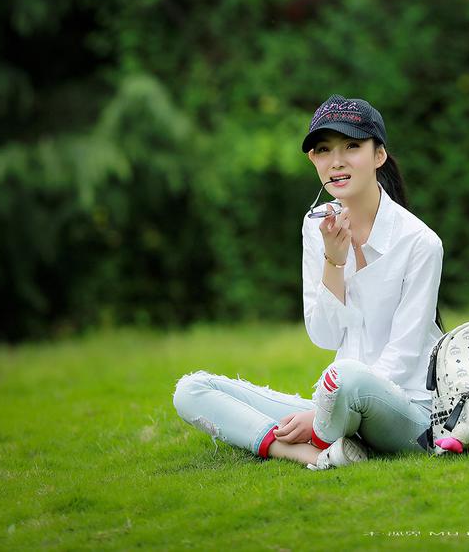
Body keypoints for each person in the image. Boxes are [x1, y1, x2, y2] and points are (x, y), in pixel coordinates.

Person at [173, 95, 444, 470]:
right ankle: (305, 452)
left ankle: (323, 435)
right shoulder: (317, 224)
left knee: (345, 375)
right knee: (192, 390)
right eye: (323, 150)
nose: (336, 161)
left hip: (406, 410)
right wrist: (334, 259)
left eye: (352, 147)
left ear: (379, 155)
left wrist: (320, 415)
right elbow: (324, 336)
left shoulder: (420, 242)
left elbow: (403, 356)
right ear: (313, 159)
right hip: (337, 402)